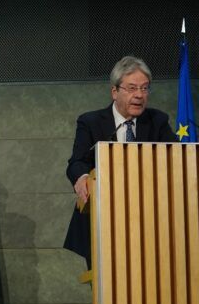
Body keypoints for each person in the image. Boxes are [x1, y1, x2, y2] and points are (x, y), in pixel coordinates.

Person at [64, 56, 176, 268]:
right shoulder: (91, 122)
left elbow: (177, 158)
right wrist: (83, 177)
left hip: (150, 224)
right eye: (132, 88)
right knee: (108, 293)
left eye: (144, 88)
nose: (139, 95)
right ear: (114, 92)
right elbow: (77, 162)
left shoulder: (158, 121)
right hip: (102, 222)